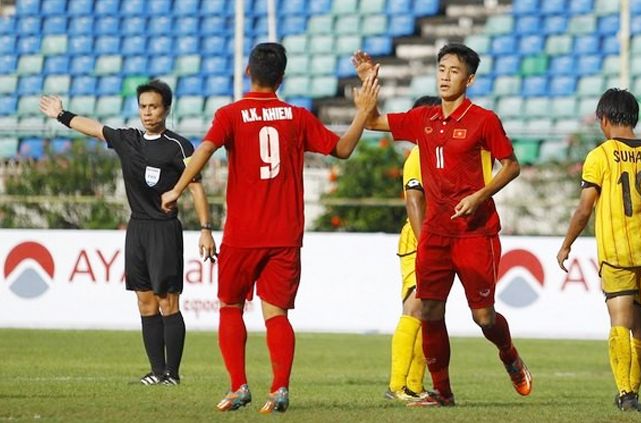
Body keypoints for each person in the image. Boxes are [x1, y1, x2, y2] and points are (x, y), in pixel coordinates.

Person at [160, 42, 380, 414]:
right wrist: (362, 113)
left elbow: (204, 151)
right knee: (277, 314)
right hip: (285, 234)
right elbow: (342, 149)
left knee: (230, 306)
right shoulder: (296, 116)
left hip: (243, 233)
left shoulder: (230, 114)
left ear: (249, 72)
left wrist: (177, 189)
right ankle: (279, 390)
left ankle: (238, 387)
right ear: (282, 77)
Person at [352, 44, 532, 407]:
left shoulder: (484, 120)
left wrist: (479, 196)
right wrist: (369, 85)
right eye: (441, 69)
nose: (445, 76)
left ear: (470, 79)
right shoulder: (425, 118)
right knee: (430, 311)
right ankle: (443, 393)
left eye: (453, 70)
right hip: (435, 234)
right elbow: (372, 123)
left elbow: (511, 166)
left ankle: (509, 354)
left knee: (483, 317)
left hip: (475, 233)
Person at [39, 80, 217, 385]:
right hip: (137, 229)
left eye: (154, 107)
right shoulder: (128, 140)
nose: (148, 113)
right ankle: (157, 371)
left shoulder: (179, 146)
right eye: (143, 107)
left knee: (167, 301)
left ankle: (173, 374)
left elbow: (197, 189)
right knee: (145, 301)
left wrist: (205, 229)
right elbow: (94, 128)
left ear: (166, 109)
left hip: (165, 230)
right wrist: (61, 115)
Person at [556, 88, 641, 412]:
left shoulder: (600, 156)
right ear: (633, 118)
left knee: (619, 321)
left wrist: (566, 244)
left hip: (617, 252)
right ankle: (631, 392)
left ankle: (625, 392)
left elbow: (584, 209)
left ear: (604, 120)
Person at [385, 95, 440, 402]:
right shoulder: (418, 157)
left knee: (428, 313)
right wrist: (426, 244)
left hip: (436, 240)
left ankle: (415, 386)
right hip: (419, 240)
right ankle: (397, 386)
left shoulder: (437, 154)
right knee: (415, 307)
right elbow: (413, 202)